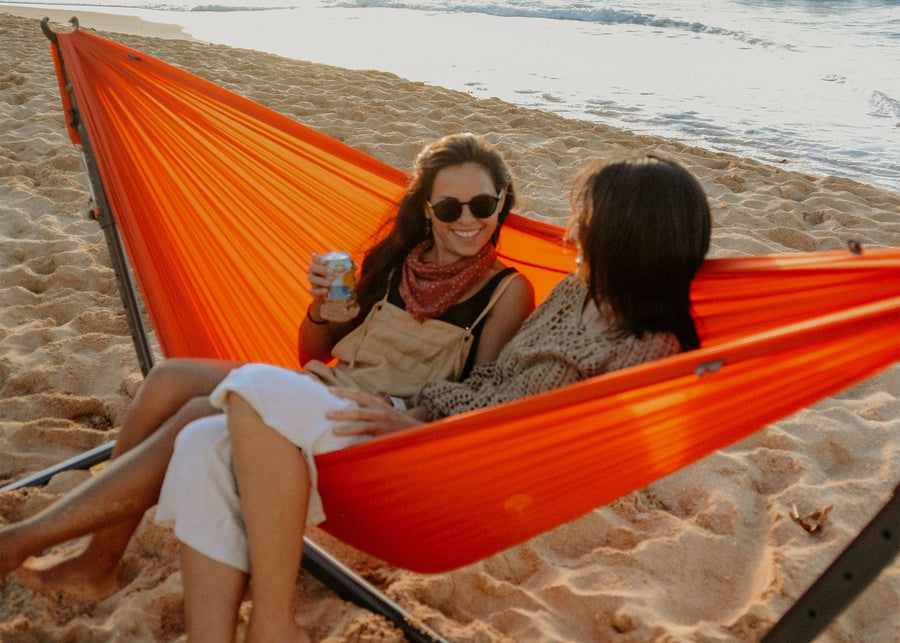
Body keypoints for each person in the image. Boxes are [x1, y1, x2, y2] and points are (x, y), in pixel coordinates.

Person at [164, 154, 712, 642]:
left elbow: (542, 442)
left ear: (625, 236)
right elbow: (489, 383)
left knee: (253, 390)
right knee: (202, 440)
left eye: (586, 220)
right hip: (422, 425)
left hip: (456, 467)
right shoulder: (572, 295)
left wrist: (422, 433)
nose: (573, 232)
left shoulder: (649, 349)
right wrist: (417, 412)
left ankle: (274, 624)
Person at [0, 133, 535, 598]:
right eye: (450, 208)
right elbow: (312, 354)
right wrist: (322, 309)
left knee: (196, 415)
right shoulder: (395, 264)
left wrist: (413, 419)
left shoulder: (507, 292)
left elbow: (481, 395)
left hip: (375, 423)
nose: (468, 220)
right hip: (323, 385)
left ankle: (20, 543)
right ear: (426, 209)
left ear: (501, 203)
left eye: (482, 205)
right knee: (169, 378)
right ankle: (100, 560)